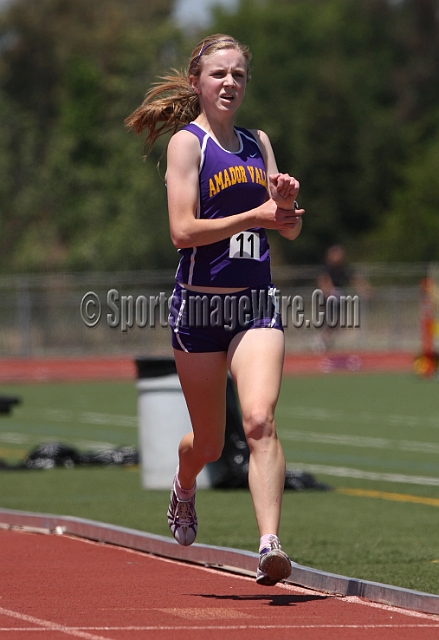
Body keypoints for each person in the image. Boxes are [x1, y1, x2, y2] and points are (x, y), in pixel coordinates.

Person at [125, 34, 304, 586]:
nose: (230, 83)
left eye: (239, 76)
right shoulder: (188, 145)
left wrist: (287, 205)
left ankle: (269, 544)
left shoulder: (259, 141)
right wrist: (255, 214)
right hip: (199, 310)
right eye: (219, 74)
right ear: (198, 81)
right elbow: (182, 232)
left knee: (258, 421)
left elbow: (288, 227)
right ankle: (185, 484)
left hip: (255, 305)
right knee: (207, 440)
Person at [316, 244, 372, 353]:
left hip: (339, 298)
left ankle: (324, 341)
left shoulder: (345, 269)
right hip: (330, 299)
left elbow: (355, 279)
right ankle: (321, 341)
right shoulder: (327, 269)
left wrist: (365, 289)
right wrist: (328, 291)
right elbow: (324, 281)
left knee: (336, 322)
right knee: (331, 321)